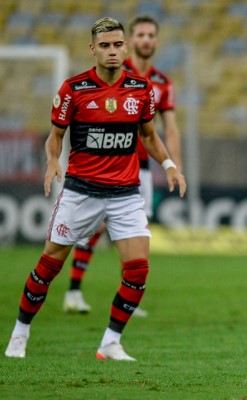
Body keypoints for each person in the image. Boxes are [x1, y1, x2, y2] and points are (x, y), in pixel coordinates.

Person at [4, 17, 186, 361]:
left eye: (118, 45)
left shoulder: (141, 88)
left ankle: (110, 342)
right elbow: (55, 136)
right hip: (81, 193)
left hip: (126, 194)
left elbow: (149, 136)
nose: (113, 51)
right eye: (105, 45)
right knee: (49, 265)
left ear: (125, 47)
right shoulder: (73, 89)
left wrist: (169, 165)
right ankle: (20, 333)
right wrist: (53, 161)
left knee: (138, 270)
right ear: (93, 49)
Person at [62, 15, 183, 317]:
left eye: (151, 35)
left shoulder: (162, 84)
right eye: (141, 34)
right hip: (109, 164)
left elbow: (169, 128)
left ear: (155, 41)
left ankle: (126, 295)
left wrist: (174, 165)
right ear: (131, 41)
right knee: (97, 225)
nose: (146, 40)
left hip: (141, 167)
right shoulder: (115, 71)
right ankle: (74, 291)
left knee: (134, 230)